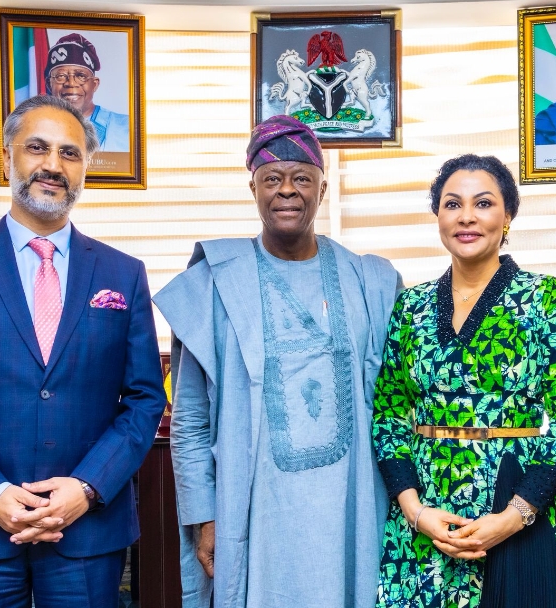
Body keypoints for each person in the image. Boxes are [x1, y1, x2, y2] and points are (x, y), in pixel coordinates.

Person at [0, 94, 167, 606]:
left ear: (85, 168)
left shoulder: (123, 273)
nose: (53, 165)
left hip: (85, 530)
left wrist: (87, 488)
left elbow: (145, 399)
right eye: (37, 147)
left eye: (69, 153)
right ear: (6, 158)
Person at [152, 114, 403, 608]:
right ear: (253, 188)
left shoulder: (370, 282)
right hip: (254, 516)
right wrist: (204, 517)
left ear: (322, 188)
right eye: (272, 178)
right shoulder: (215, 284)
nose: (287, 190)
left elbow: (398, 405)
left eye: (302, 178)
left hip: (352, 511)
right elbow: (190, 421)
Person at [373, 154, 556, 608]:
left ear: (508, 215)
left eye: (484, 203)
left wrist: (513, 516)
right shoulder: (410, 307)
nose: (467, 217)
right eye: (453, 204)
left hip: (518, 509)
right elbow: (389, 417)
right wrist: (415, 512)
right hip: (426, 523)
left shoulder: (543, 297)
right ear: (438, 216)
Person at [45, 33, 130, 152]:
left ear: (94, 84)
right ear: (49, 84)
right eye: (61, 76)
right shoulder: (34, 126)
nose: (71, 83)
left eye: (81, 76)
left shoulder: (127, 128)